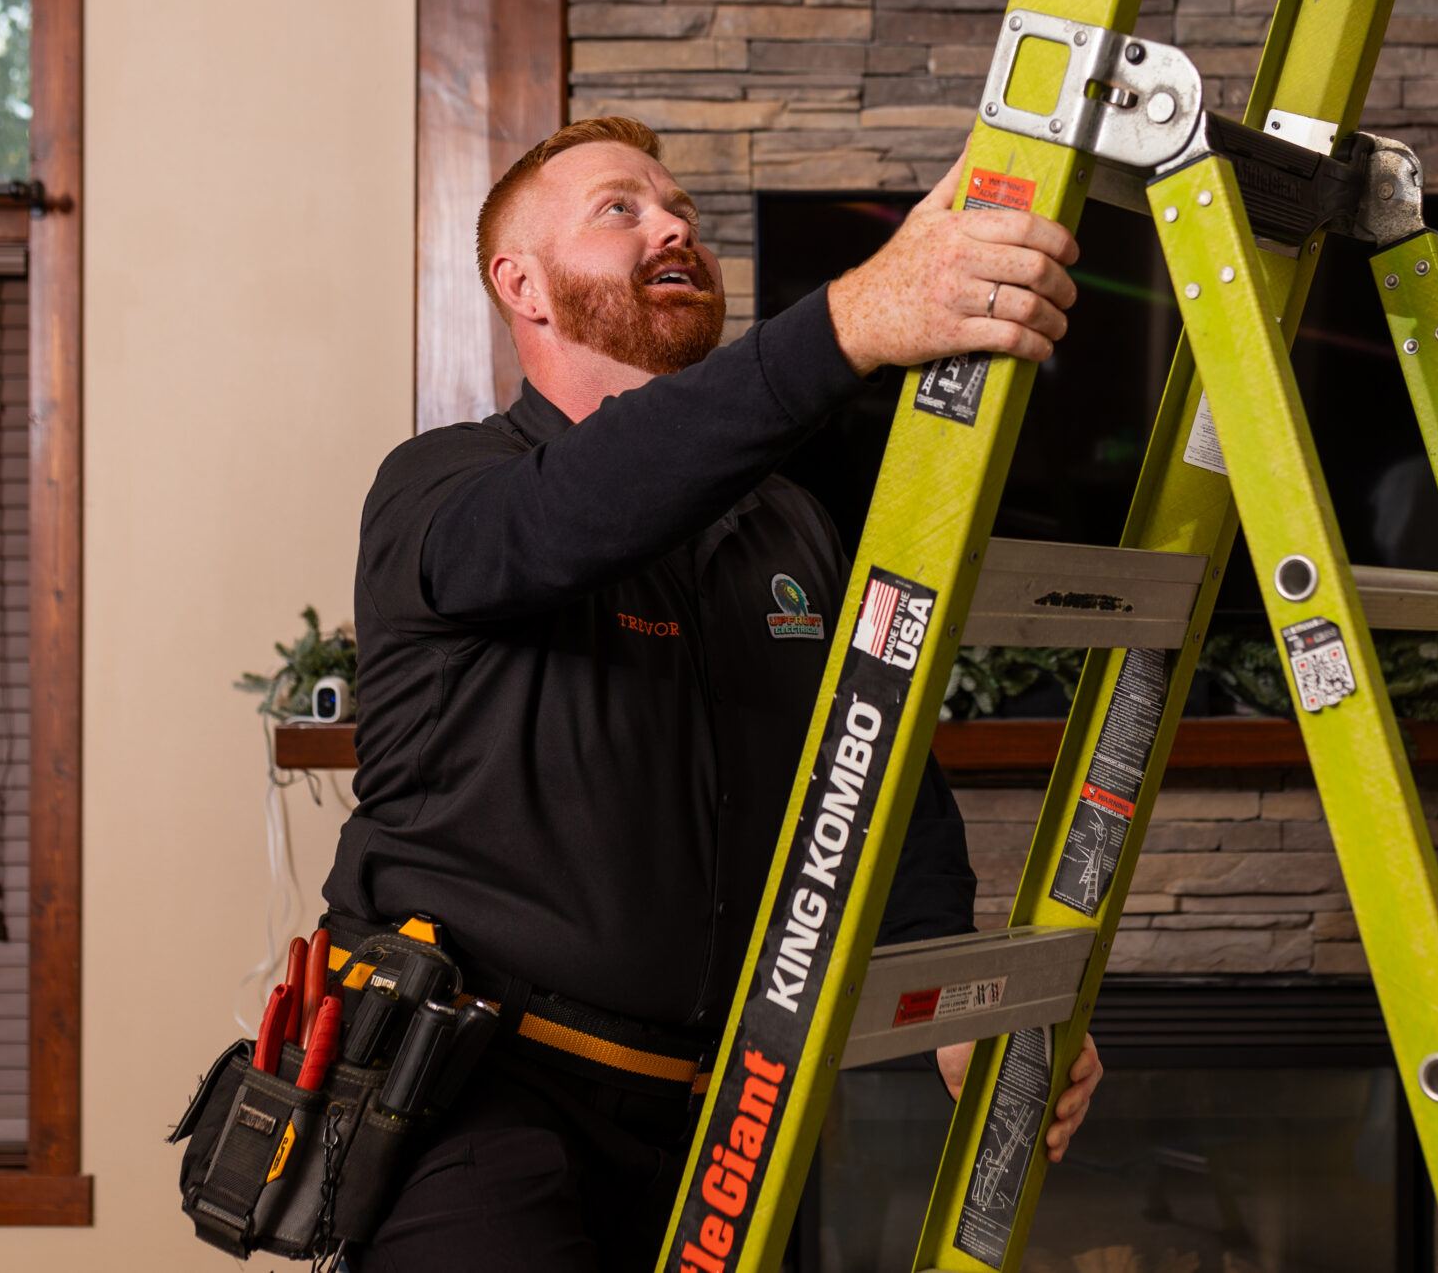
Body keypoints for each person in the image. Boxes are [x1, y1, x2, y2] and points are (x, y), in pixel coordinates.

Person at [320, 116, 1106, 1272]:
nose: (673, 223)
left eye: (677, 205)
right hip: (476, 1102)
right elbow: (585, 508)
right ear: (520, 285)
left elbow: (875, 763)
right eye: (620, 209)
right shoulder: (442, 489)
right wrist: (843, 326)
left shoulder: (787, 525)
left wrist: (947, 986)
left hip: (727, 1124)